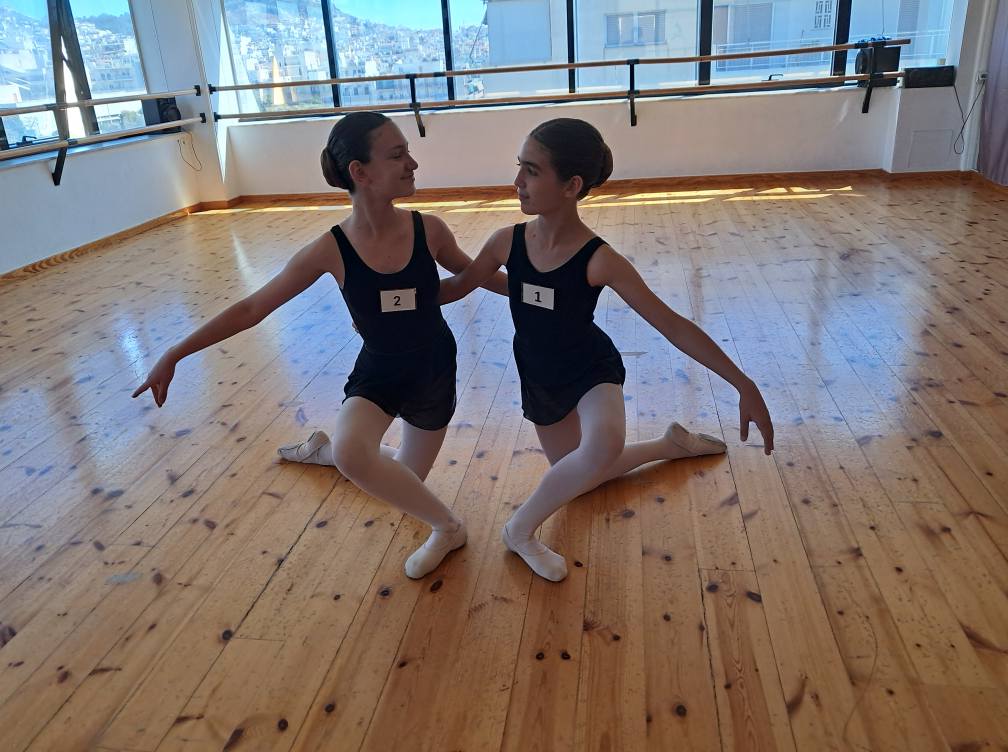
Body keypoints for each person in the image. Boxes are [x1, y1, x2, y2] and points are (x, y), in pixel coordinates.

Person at [133, 112, 507, 579]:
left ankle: (321, 450)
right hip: (379, 371)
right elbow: (252, 308)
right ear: (360, 172)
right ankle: (448, 528)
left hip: (433, 366)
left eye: (408, 153)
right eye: (397, 155)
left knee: (403, 479)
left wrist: (546, 292)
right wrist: (175, 353)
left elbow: (472, 277)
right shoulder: (330, 249)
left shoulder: (428, 230)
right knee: (357, 456)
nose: (413, 164)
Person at [438, 118, 774, 581]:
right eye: (520, 167)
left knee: (601, 447)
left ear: (572, 185)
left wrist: (743, 383)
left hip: (591, 370)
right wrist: (382, 308)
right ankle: (669, 445)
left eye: (531, 171)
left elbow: (672, 324)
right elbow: (458, 287)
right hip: (539, 375)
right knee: (581, 472)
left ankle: (519, 531)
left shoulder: (599, 259)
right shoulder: (505, 242)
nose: (517, 181)